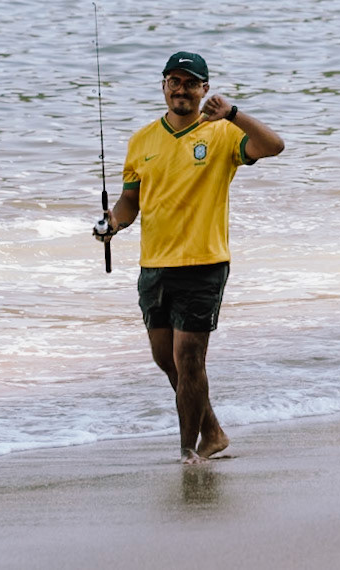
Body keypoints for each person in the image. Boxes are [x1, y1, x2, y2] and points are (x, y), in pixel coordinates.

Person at [93, 50, 285, 463]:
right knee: (167, 360)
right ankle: (212, 431)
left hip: (204, 263)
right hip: (154, 265)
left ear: (204, 89)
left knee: (190, 358)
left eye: (191, 84)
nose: (182, 90)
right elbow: (130, 202)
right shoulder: (141, 140)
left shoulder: (222, 133)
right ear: (164, 86)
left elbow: (274, 146)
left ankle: (188, 451)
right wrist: (112, 223)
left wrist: (233, 114)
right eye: (174, 82)